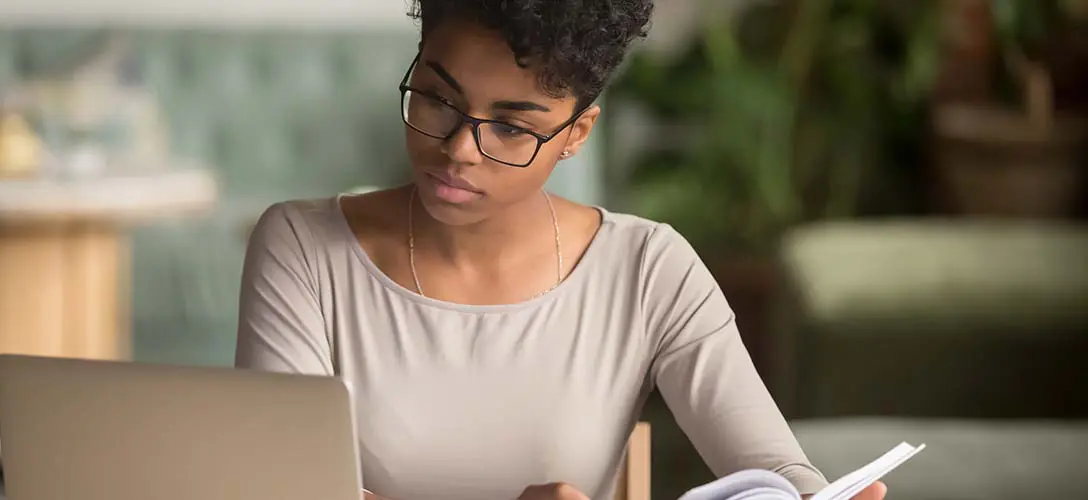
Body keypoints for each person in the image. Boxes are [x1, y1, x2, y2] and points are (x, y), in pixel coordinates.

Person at [235, 1, 888, 499]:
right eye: (438, 99)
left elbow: (770, 470)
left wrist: (812, 494)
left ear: (577, 133)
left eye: (513, 127)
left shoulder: (646, 269)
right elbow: (277, 487)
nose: (459, 149)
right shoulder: (303, 250)